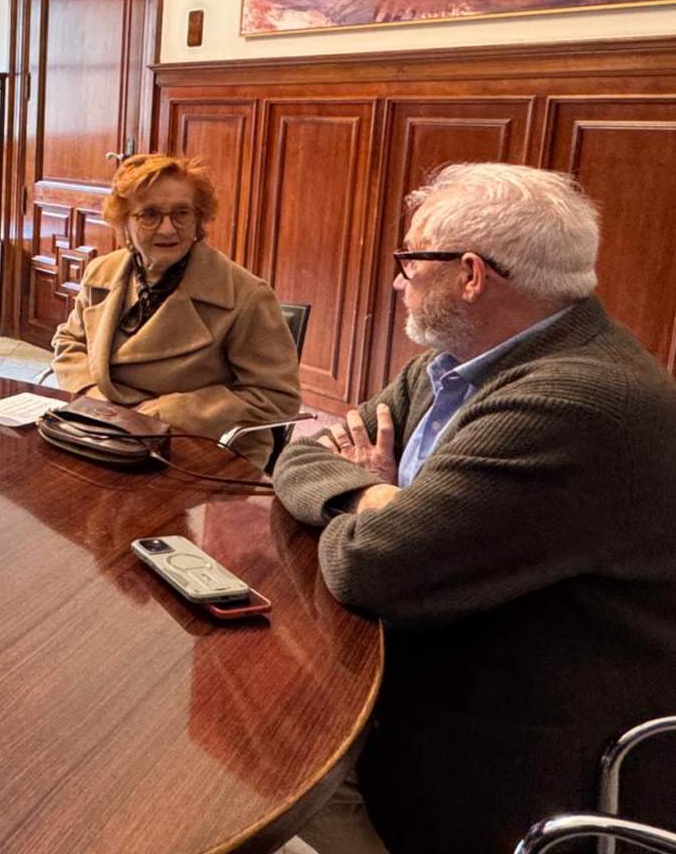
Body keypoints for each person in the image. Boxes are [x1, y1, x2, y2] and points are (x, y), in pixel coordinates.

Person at [273, 163, 676, 853]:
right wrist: (380, 496)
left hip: (506, 745)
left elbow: (372, 566)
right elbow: (301, 455)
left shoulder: (572, 402)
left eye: (408, 260)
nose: (397, 280)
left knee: (270, 746)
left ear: (469, 275)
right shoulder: (450, 364)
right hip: (442, 657)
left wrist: (390, 519)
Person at [50, 153, 301, 466]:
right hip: (105, 433)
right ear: (125, 221)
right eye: (150, 215)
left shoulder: (246, 296)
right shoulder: (100, 272)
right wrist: (93, 397)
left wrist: (160, 414)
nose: (168, 229)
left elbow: (276, 397)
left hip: (199, 448)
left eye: (181, 213)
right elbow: (70, 343)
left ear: (199, 219)